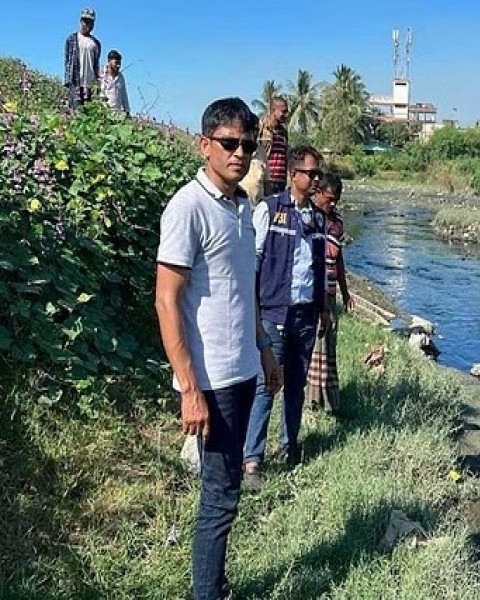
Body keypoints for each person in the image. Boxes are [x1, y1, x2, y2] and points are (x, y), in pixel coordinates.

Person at [155, 97, 281, 600]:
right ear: (204, 145)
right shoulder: (188, 206)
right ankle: (206, 593)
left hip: (244, 368)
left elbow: (244, 287)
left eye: (247, 145)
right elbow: (167, 300)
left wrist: (263, 348)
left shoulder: (242, 207)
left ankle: (216, 586)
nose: (239, 153)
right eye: (229, 143)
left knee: (225, 491)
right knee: (219, 496)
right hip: (209, 379)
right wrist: (188, 388)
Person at [243, 145, 329, 488]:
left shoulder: (318, 218)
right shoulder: (270, 209)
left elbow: (320, 267)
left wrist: (325, 306)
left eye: (318, 173)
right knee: (268, 386)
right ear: (294, 174)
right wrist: (255, 311)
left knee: (297, 386)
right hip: (274, 314)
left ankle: (291, 446)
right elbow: (253, 263)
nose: (316, 179)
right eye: (311, 173)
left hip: (306, 317)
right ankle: (252, 461)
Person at [306, 173, 354, 414]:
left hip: (331, 292)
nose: (332, 204)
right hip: (311, 293)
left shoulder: (336, 223)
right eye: (329, 198)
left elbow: (339, 260)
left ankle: (325, 398)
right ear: (318, 193)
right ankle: (309, 399)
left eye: (336, 199)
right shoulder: (308, 218)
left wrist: (346, 294)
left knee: (328, 343)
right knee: (312, 344)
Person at [64, 8, 102, 109]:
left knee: (88, 113)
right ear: (81, 21)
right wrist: (68, 82)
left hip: (90, 84)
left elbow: (96, 65)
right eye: (86, 21)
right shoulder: (71, 39)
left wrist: (97, 83)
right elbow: (67, 61)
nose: (88, 25)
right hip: (75, 82)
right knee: (76, 112)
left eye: (90, 22)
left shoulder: (96, 43)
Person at [263, 97, 289, 196]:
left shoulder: (283, 132)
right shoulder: (263, 130)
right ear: (274, 110)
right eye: (283, 111)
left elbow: (285, 156)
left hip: (280, 181)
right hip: (267, 180)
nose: (286, 115)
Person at [100, 49, 130, 115]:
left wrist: (127, 110)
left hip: (117, 113)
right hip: (104, 113)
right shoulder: (102, 75)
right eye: (116, 63)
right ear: (109, 61)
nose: (118, 66)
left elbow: (124, 95)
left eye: (119, 63)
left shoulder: (121, 77)